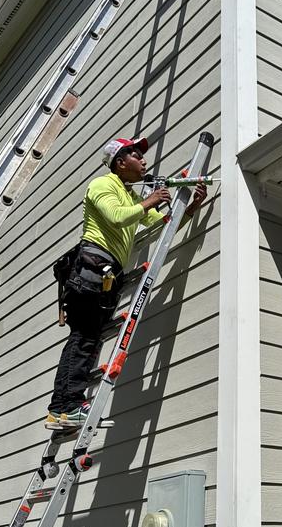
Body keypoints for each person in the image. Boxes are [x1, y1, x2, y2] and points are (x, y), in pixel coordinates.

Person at [45, 136, 207, 430]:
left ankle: (67, 405)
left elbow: (160, 225)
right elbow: (117, 218)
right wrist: (151, 200)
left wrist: (191, 208)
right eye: (136, 155)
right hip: (90, 269)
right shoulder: (102, 185)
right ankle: (63, 408)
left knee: (90, 339)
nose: (144, 160)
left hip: (105, 275)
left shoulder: (131, 196)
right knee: (83, 338)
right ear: (120, 163)